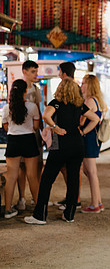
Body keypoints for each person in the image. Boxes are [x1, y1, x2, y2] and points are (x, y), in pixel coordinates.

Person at [24, 78, 100, 224]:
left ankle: (40, 215)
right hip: (77, 145)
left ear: (60, 89)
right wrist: (83, 132)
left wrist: (55, 127)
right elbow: (96, 119)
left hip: (61, 145)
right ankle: (69, 214)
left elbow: (46, 115)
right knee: (73, 179)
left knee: (47, 180)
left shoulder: (56, 103)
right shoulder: (80, 105)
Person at [2, 79, 40, 218]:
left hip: (13, 141)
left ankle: (7, 210)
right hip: (29, 140)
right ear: (25, 91)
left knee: (11, 176)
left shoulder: (6, 108)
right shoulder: (32, 107)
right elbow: (36, 127)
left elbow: (6, 128)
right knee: (32, 176)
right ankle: (38, 207)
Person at [53, 61, 82, 210]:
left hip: (65, 137)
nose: (58, 74)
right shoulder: (77, 88)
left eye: (59, 71)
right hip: (75, 138)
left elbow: (80, 111)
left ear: (63, 73)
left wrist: (54, 127)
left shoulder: (68, 88)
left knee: (70, 173)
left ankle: (74, 200)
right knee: (71, 171)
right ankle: (71, 201)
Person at [15, 60, 43, 211]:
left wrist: (42, 133)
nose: (35, 75)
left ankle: (35, 197)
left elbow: (39, 110)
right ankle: (22, 198)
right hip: (22, 133)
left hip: (34, 133)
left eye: (36, 72)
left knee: (37, 166)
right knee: (21, 167)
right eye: (33, 71)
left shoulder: (36, 89)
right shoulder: (18, 87)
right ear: (24, 71)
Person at [80, 74, 107, 213]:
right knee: (90, 171)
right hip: (94, 139)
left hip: (89, 139)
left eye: (83, 83)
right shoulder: (98, 100)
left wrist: (83, 131)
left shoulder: (89, 101)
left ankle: (95, 204)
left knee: (90, 172)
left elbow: (84, 121)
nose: (81, 85)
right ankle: (98, 201)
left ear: (89, 85)